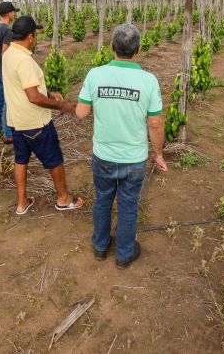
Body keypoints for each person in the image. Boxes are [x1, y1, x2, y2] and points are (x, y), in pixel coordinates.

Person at [74, 24, 168, 269]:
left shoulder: (95, 75)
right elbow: (156, 124)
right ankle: (125, 254)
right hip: (134, 159)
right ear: (138, 49)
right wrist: (158, 154)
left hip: (103, 155)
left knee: (103, 200)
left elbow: (81, 113)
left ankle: (100, 246)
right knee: (128, 204)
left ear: (112, 47)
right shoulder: (148, 80)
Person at [2, 15, 85, 214]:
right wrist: (62, 106)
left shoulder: (8, 54)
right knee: (54, 159)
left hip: (16, 121)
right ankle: (63, 199)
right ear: (30, 36)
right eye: (36, 35)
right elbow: (33, 97)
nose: (36, 38)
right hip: (35, 123)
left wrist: (48, 94)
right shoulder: (24, 61)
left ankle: (22, 202)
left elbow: (24, 87)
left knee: (21, 160)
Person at [0, 1, 19, 145]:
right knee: (8, 101)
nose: (14, 14)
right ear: (8, 13)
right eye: (13, 12)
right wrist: (8, 67)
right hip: (5, 70)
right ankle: (8, 134)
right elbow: (5, 51)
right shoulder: (7, 30)